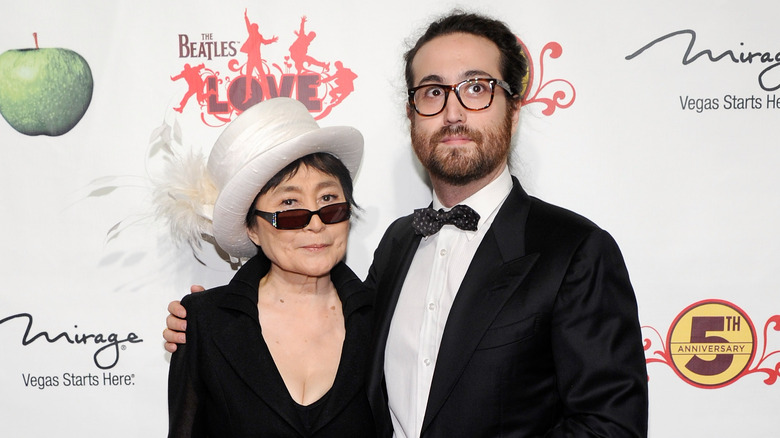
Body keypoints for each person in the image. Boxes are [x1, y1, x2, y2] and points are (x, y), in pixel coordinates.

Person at [166, 10, 649, 437]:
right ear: (412, 113)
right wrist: (221, 319)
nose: (454, 111)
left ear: (514, 110)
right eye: (433, 91)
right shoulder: (399, 244)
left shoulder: (575, 251)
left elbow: (609, 426)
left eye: (477, 88)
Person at [164, 97, 375, 436]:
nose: (316, 223)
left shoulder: (382, 318)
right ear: (252, 229)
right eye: (290, 206)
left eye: (329, 201)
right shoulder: (204, 323)